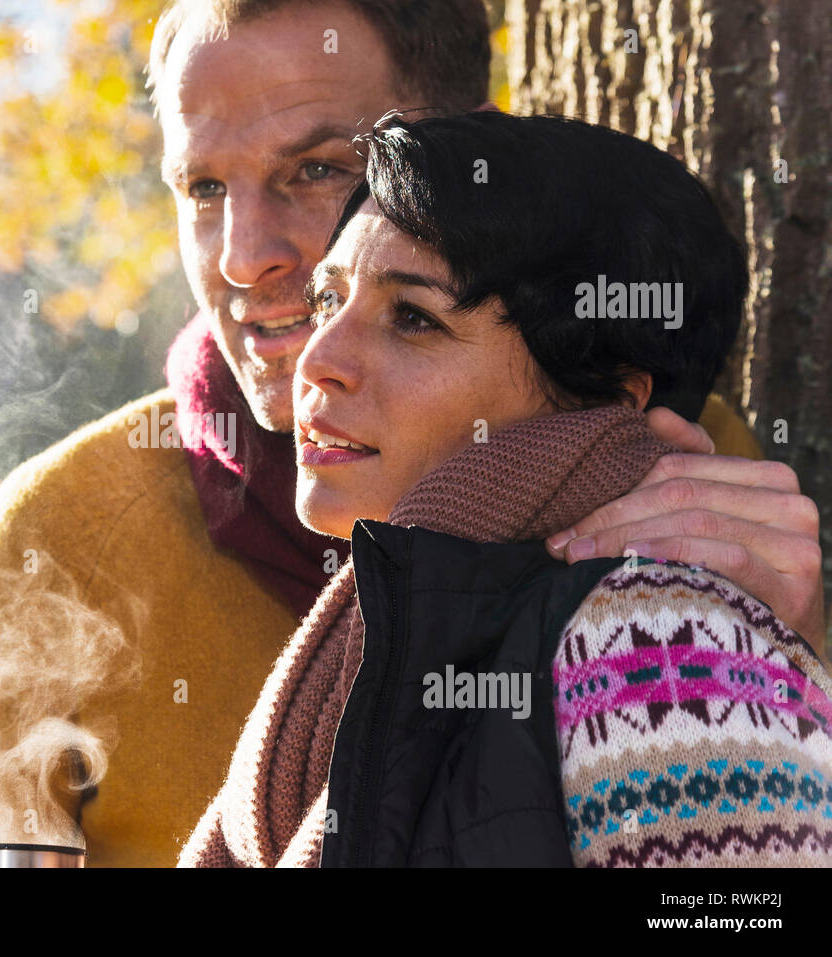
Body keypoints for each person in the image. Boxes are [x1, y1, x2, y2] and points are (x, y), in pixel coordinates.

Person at [0, 0, 826, 867]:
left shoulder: (686, 468)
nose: (244, 256)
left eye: (316, 171)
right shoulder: (66, 531)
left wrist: (804, 639)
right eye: (205, 186)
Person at [179, 110, 832, 867]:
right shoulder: (360, 640)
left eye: (414, 318)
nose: (317, 357)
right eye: (329, 302)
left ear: (609, 400)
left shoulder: (659, 639)